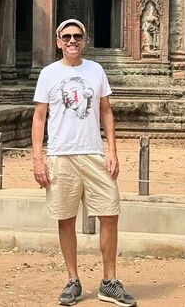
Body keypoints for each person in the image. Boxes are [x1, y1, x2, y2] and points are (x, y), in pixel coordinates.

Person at [32, 18, 137, 307]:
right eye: (66, 37)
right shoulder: (48, 74)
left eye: (77, 36)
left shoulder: (96, 70)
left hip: (93, 153)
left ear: (84, 40)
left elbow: (106, 111)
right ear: (58, 42)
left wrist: (112, 150)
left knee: (110, 212)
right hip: (60, 154)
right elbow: (39, 117)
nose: (72, 41)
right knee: (65, 219)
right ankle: (72, 280)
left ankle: (109, 281)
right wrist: (38, 158)